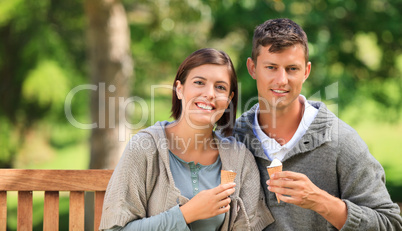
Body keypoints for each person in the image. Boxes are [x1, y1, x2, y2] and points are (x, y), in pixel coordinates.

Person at [232, 18, 402, 230]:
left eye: (292, 68)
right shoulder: (232, 139)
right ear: (252, 68)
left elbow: (390, 223)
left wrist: (321, 201)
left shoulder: (341, 142)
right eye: (271, 67)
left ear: (306, 71)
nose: (282, 79)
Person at [99, 48, 274, 231]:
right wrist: (186, 214)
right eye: (199, 82)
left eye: (220, 87)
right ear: (179, 89)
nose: (210, 94)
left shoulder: (240, 160)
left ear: (229, 99)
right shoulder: (145, 148)